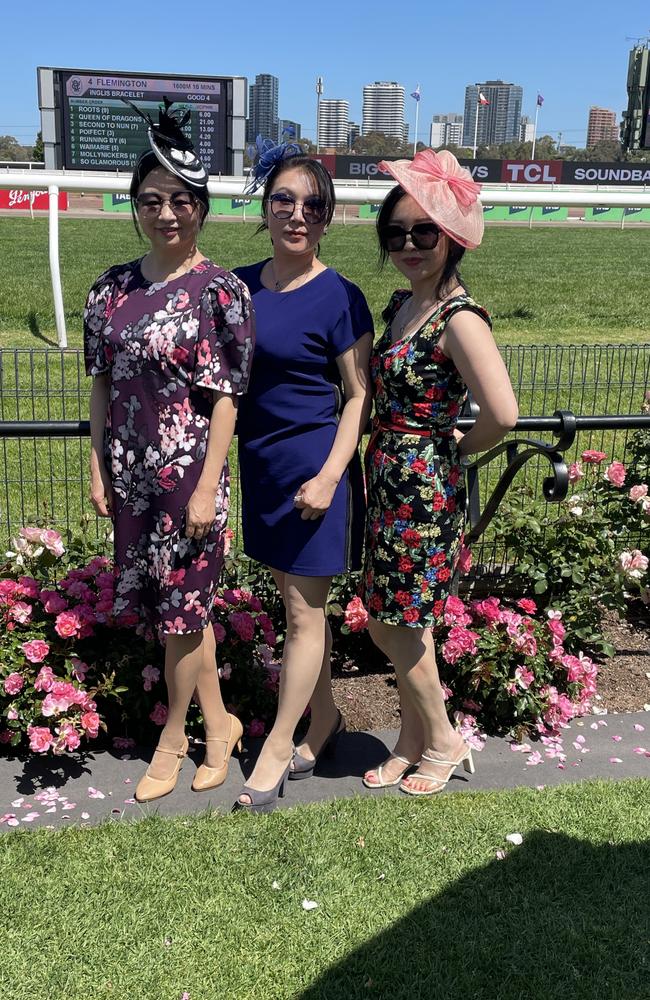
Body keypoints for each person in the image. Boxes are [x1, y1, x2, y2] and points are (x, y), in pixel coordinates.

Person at [84, 100, 255, 802]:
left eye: (181, 201)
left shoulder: (221, 293)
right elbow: (100, 384)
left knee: (183, 613)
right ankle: (223, 726)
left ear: (202, 208)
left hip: (188, 475)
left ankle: (172, 739)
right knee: (178, 614)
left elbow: (225, 398)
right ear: (134, 206)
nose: (167, 214)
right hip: (130, 477)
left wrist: (209, 484)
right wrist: (95, 463)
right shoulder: (111, 289)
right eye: (151, 201)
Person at [361, 149, 518, 796]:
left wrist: (452, 444)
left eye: (423, 232)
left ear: (450, 238)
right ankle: (411, 737)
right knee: (393, 616)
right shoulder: (403, 304)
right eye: (395, 234)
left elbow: (503, 415)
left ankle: (445, 740)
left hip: (422, 488)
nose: (408, 245)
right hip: (389, 479)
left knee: (394, 620)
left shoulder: (459, 318)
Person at [232, 140, 373, 812]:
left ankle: (280, 744)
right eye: (283, 199)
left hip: (317, 473)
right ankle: (329, 722)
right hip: (262, 471)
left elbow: (357, 396)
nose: (297, 214)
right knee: (289, 602)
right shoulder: (237, 286)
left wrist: (329, 475)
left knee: (300, 612)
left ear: (327, 217)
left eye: (312, 204)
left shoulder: (341, 296)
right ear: (265, 207)